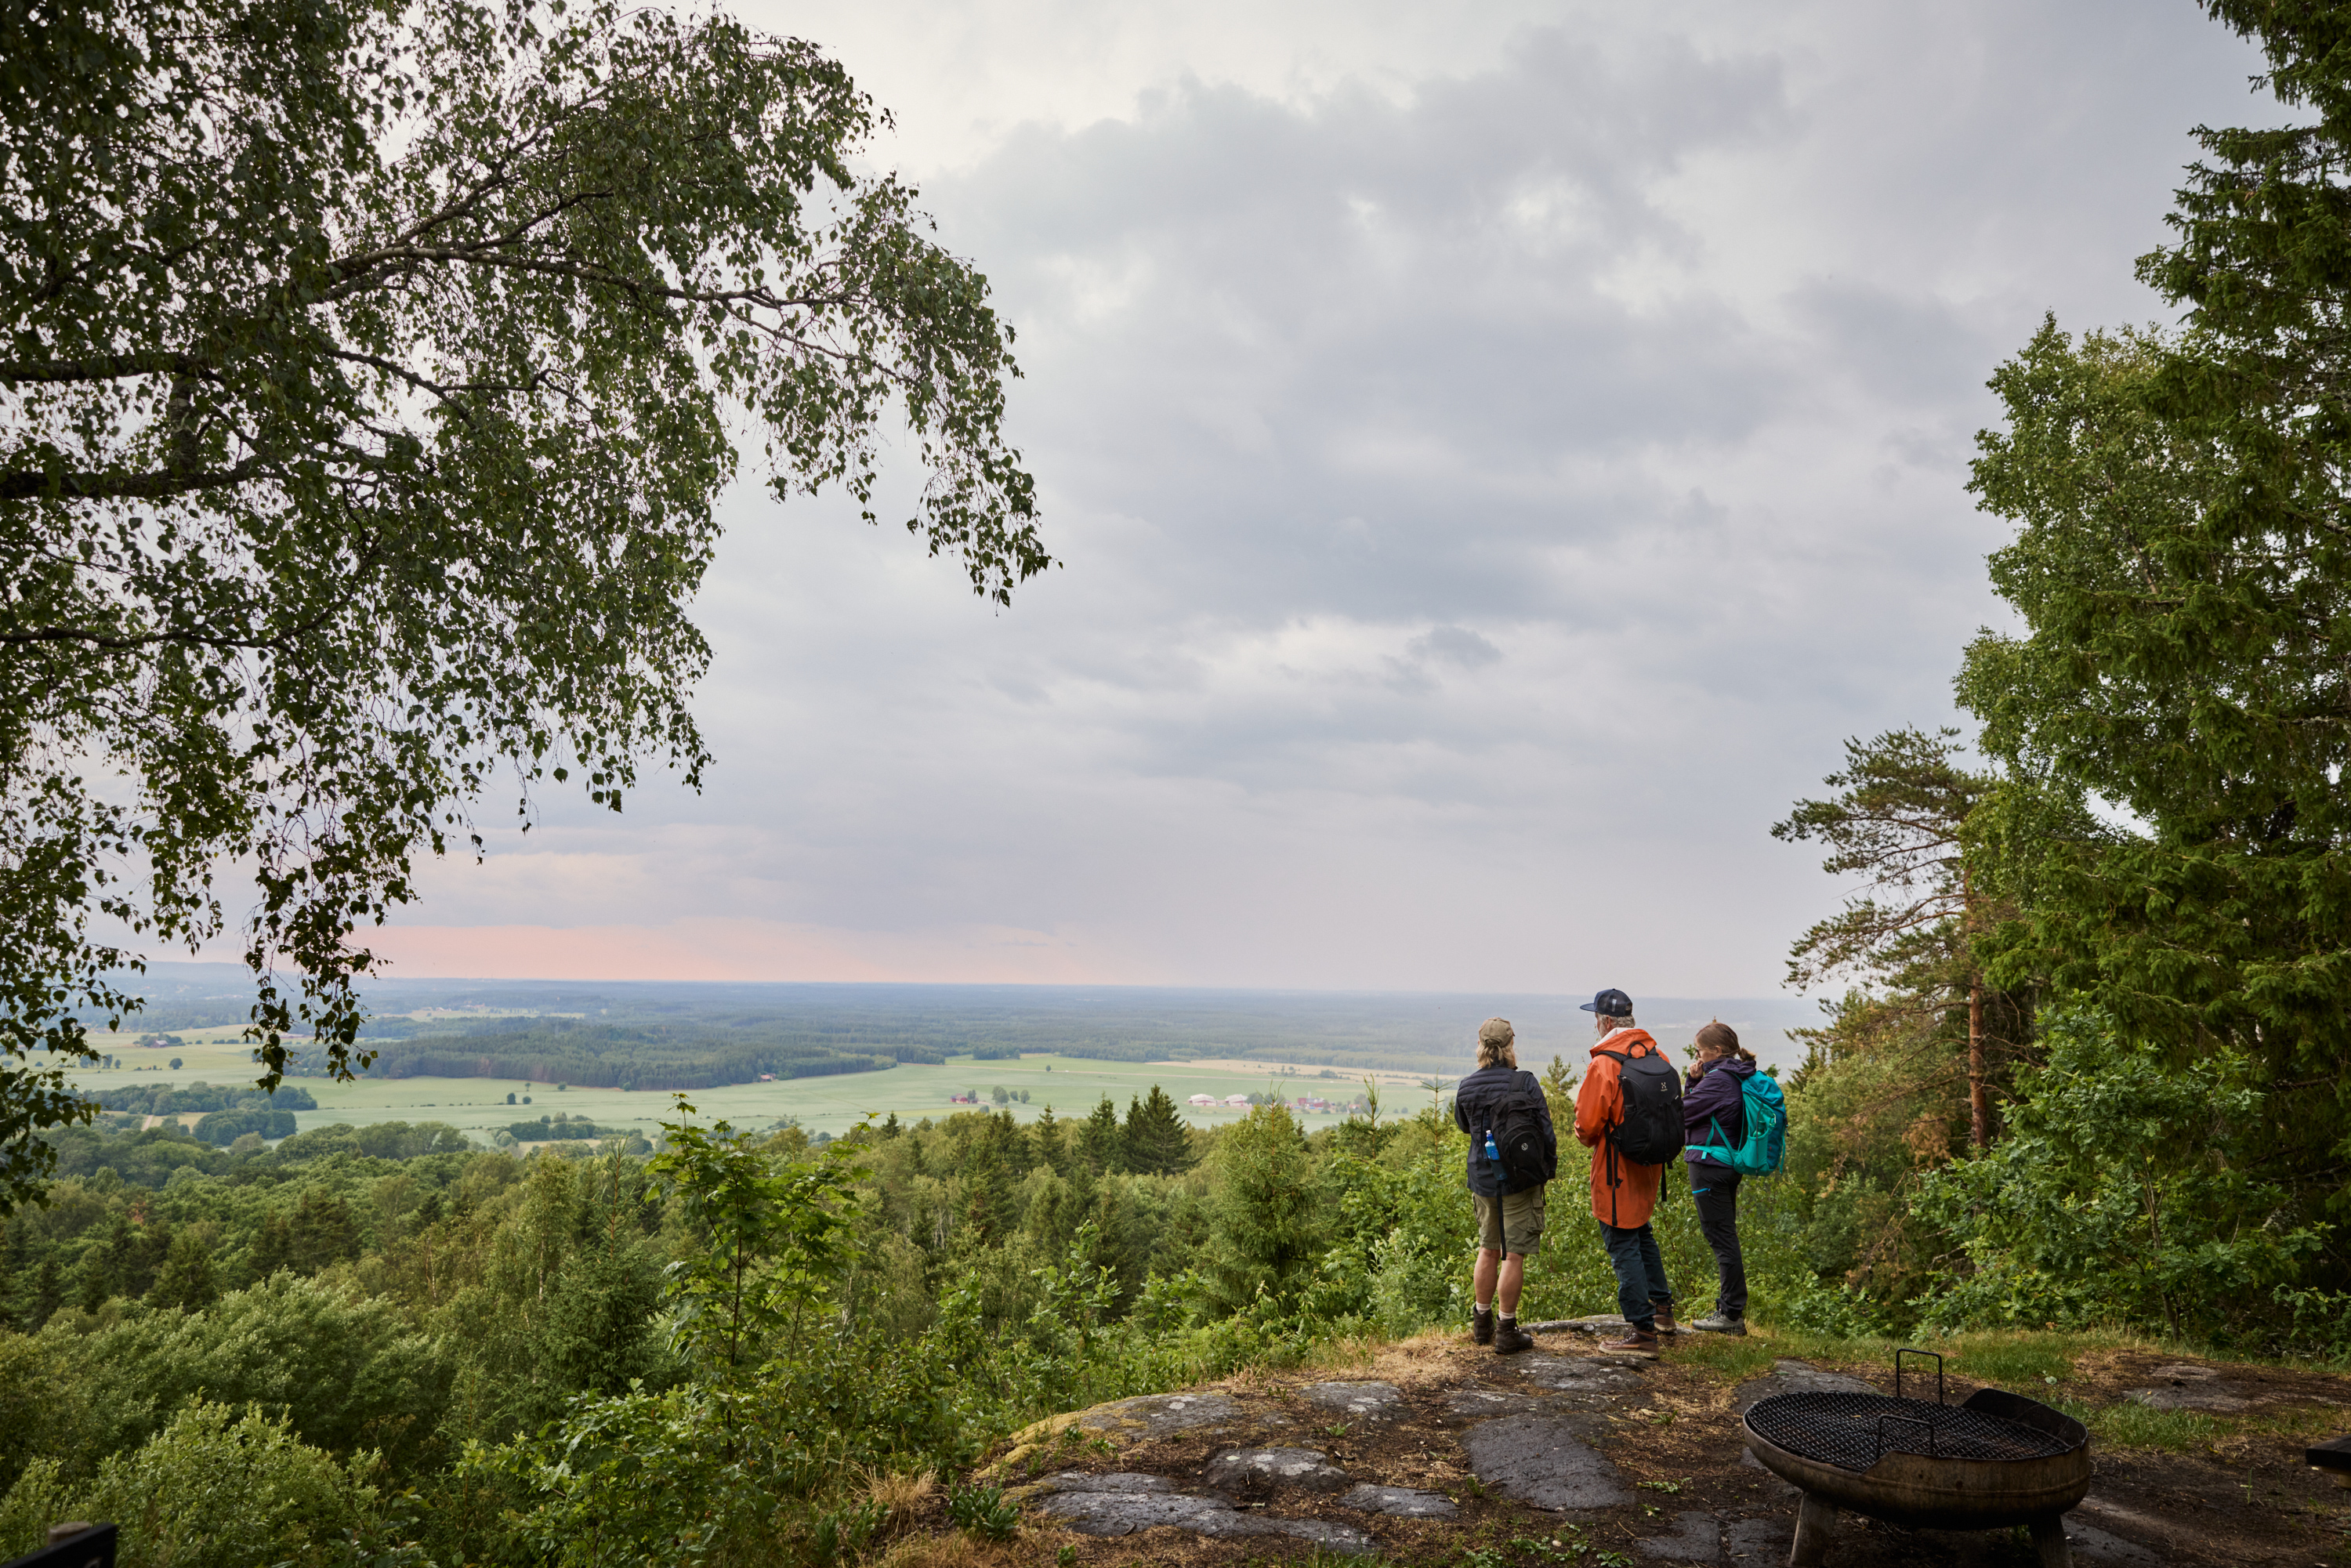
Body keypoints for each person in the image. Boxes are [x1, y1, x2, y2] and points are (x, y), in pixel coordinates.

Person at [1572, 988, 1681, 1352]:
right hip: (1648, 1167)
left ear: (1604, 1022)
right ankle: (1663, 1309)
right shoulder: (1656, 1054)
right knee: (1642, 1234)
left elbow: (1587, 1128)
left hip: (1616, 1170)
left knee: (1622, 1244)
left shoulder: (1605, 1064)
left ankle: (1642, 1331)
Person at [1454, 1016, 1556, 1355]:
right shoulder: (1524, 1082)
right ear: (1511, 1045)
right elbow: (1545, 1131)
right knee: (1514, 1256)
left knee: (1487, 1249)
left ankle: (1481, 1324)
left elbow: (1465, 1127)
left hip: (1482, 1179)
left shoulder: (1467, 1086)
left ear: (1481, 1046)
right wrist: (1546, 1170)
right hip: (1520, 1180)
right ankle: (1507, 1330)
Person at [1682, 1020, 1757, 1335]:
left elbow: (1681, 1113)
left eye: (1699, 1051)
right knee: (1726, 1236)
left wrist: (1690, 1081)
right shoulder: (1733, 1075)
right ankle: (1731, 1311)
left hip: (1709, 1166)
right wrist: (1697, 1079)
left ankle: (1730, 1314)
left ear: (1715, 1051)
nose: (1697, 1056)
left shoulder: (1718, 1082)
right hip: (1726, 1165)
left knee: (1721, 1238)